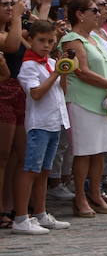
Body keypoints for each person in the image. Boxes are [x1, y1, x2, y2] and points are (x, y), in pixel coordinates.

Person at [59, 0, 107, 217]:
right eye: (94, 10)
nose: (99, 14)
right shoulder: (72, 39)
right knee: (84, 152)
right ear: (79, 14)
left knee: (99, 152)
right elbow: (82, 71)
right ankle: (80, 197)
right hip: (82, 100)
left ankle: (95, 193)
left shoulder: (95, 38)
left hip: (102, 101)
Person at [11, 20, 71, 235]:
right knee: (30, 170)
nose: (46, 45)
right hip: (39, 124)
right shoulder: (29, 65)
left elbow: (61, 91)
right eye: (41, 41)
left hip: (54, 122)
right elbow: (35, 93)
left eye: (50, 41)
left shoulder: (51, 62)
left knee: (45, 170)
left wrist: (62, 72)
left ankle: (40, 212)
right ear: (30, 41)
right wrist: (56, 73)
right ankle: (20, 217)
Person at [1, 0, 29, 230]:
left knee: (20, 153)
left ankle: (11, 205)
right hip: (2, 93)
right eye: (5, 4)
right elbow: (10, 47)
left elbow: (28, 48)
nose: (10, 8)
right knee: (2, 156)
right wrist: (18, 17)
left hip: (18, 92)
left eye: (12, 4)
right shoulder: (8, 31)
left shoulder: (14, 29)